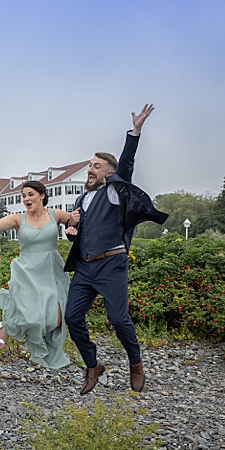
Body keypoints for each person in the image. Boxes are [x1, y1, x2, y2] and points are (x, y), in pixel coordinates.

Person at [64, 105, 167, 394]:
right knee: (73, 317)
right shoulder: (82, 200)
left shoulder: (115, 190)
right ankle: (93, 365)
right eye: (90, 166)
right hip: (85, 267)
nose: (91, 170)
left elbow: (126, 165)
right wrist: (71, 231)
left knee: (118, 318)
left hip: (112, 264)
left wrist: (135, 132)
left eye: (97, 166)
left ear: (109, 172)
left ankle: (135, 362)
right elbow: (80, 236)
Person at [0, 180, 75, 370]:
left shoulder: (56, 214)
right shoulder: (19, 219)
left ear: (42, 196)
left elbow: (75, 222)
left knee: (56, 320)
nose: (26, 198)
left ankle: (22, 331)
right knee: (29, 316)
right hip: (27, 270)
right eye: (23, 195)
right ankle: (8, 326)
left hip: (51, 270)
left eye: (30, 194)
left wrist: (73, 225)